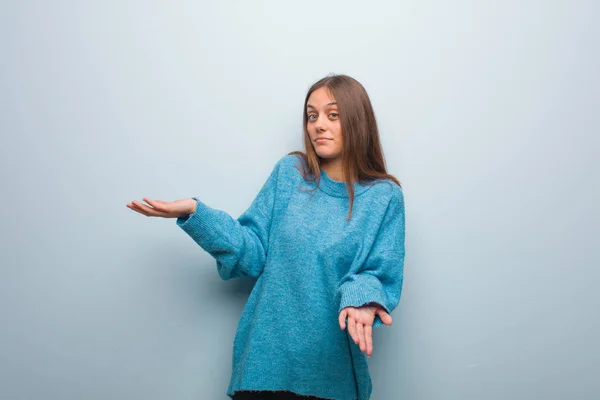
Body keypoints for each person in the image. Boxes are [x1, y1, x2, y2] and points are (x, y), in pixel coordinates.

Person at [126, 74, 406, 400]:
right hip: (265, 368)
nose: (318, 125)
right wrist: (195, 213)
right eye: (311, 115)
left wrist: (362, 298)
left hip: (331, 373)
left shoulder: (384, 197)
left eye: (333, 115)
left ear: (357, 121)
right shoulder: (291, 174)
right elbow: (253, 250)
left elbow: (380, 272)